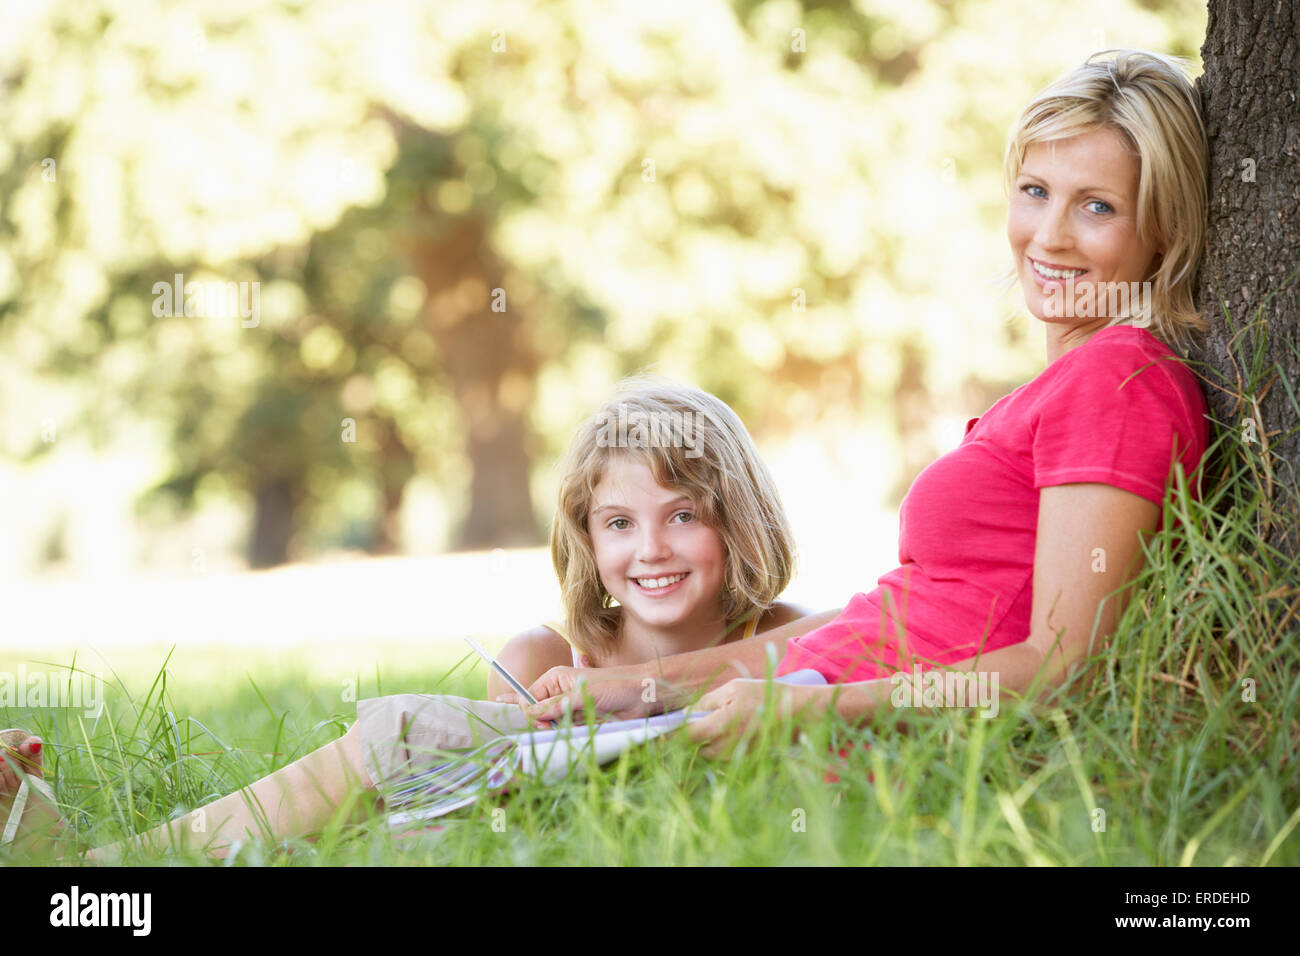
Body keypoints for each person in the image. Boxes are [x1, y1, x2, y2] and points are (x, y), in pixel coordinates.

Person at [523, 48, 1213, 757]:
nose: (1050, 234)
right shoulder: (1060, 388)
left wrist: (817, 711)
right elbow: (882, 617)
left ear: (1161, 226)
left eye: (1098, 206)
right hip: (772, 726)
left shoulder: (1116, 379)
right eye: (1035, 190)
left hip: (835, 753)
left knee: (418, 753)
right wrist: (653, 686)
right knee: (452, 741)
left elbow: (1061, 671)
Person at [0, 381, 807, 858]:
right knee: (392, 800)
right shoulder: (543, 655)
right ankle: (114, 864)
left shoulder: (790, 632)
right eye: (620, 524)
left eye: (685, 515)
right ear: (587, 537)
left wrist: (632, 691)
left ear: (737, 519)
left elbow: (844, 631)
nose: (651, 549)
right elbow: (441, 808)